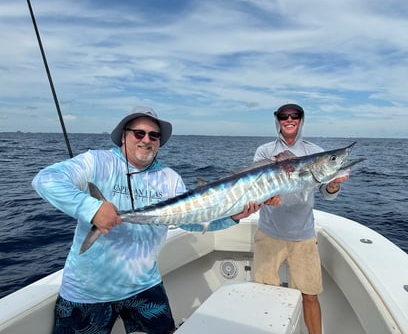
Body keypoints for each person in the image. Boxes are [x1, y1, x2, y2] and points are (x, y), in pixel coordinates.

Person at [32, 106, 260, 334]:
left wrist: (232, 217)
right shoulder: (97, 161)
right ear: (124, 135)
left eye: (154, 135)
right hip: (86, 291)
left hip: (145, 287)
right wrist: (92, 208)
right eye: (138, 133)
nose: (146, 140)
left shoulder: (170, 178)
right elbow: (45, 180)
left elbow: (189, 221)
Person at [252, 103, 350, 334]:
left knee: (310, 295)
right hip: (269, 233)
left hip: (303, 235)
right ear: (277, 120)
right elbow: (257, 186)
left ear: (301, 120)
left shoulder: (315, 151)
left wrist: (334, 184)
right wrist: (267, 198)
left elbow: (327, 194)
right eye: (284, 116)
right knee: (265, 294)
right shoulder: (265, 151)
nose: (289, 119)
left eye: (294, 116)